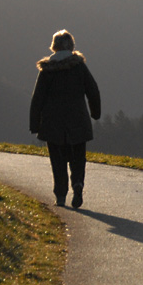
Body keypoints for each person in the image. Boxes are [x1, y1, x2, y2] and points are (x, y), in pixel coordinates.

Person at [29, 29, 102, 208]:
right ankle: (77, 183)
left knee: (57, 160)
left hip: (52, 123)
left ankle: (60, 195)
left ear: (54, 47)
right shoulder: (79, 66)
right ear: (72, 46)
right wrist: (95, 113)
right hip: (78, 121)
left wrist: (35, 124)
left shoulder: (47, 70)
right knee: (78, 157)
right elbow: (93, 90)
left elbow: (37, 98)